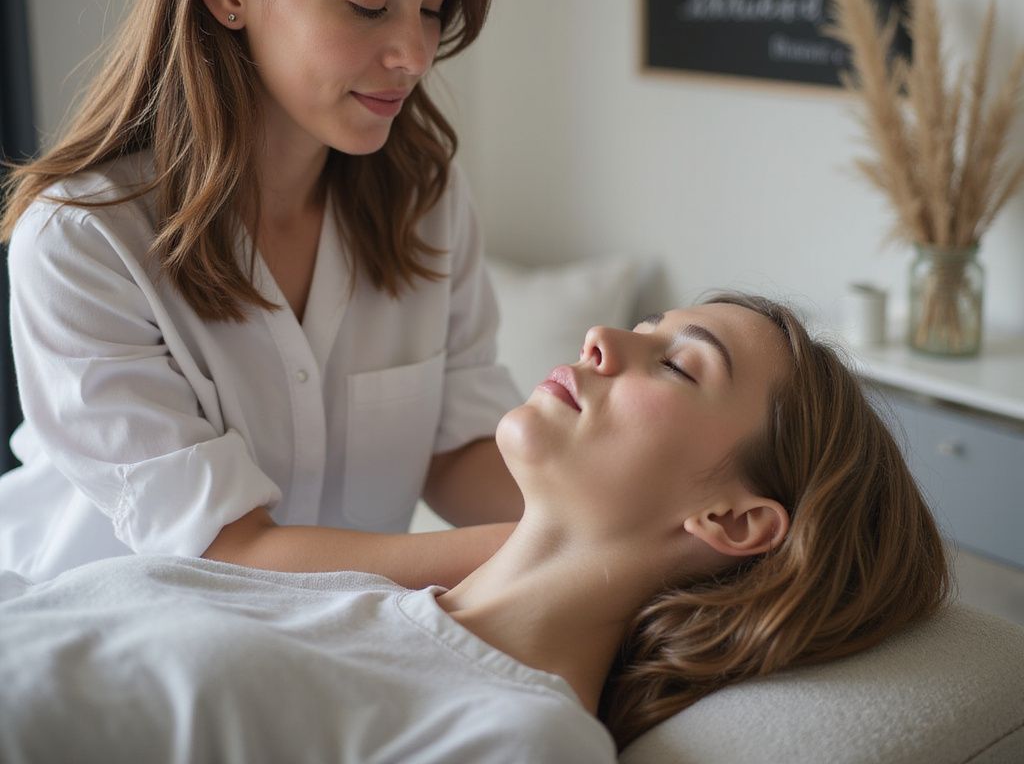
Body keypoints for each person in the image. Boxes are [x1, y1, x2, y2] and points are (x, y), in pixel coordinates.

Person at [0, 294, 950, 762]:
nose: (605, 341)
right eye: (649, 323)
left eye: (678, 365)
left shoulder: (519, 737)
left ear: (735, 520)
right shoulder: (346, 598)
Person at [0, 0, 524, 585]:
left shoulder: (427, 202)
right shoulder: (82, 241)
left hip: (334, 649)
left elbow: (457, 447)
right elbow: (229, 550)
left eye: (432, 6)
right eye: (368, 5)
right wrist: (561, 549)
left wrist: (628, 526)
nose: (416, 55)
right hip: (114, 664)